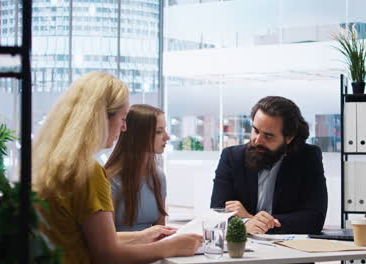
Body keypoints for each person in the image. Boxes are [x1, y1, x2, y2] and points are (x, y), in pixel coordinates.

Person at [32, 72, 202, 264]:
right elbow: (107, 254)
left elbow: (90, 238)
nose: (123, 129)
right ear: (100, 118)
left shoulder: (51, 166)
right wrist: (170, 247)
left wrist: (143, 236)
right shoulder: (89, 173)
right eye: (122, 119)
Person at [210, 96, 328, 235]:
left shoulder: (307, 157)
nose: (257, 140)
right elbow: (217, 213)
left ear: (289, 137)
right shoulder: (231, 157)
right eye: (256, 130)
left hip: (289, 249)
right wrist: (248, 224)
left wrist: (250, 219)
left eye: (268, 136)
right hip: (243, 247)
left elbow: (314, 219)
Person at [105, 104, 170, 232]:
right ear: (139, 135)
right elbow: (107, 240)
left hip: (152, 249)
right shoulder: (111, 178)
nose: (167, 137)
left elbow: (160, 229)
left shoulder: (159, 176)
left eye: (165, 130)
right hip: (121, 250)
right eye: (159, 131)